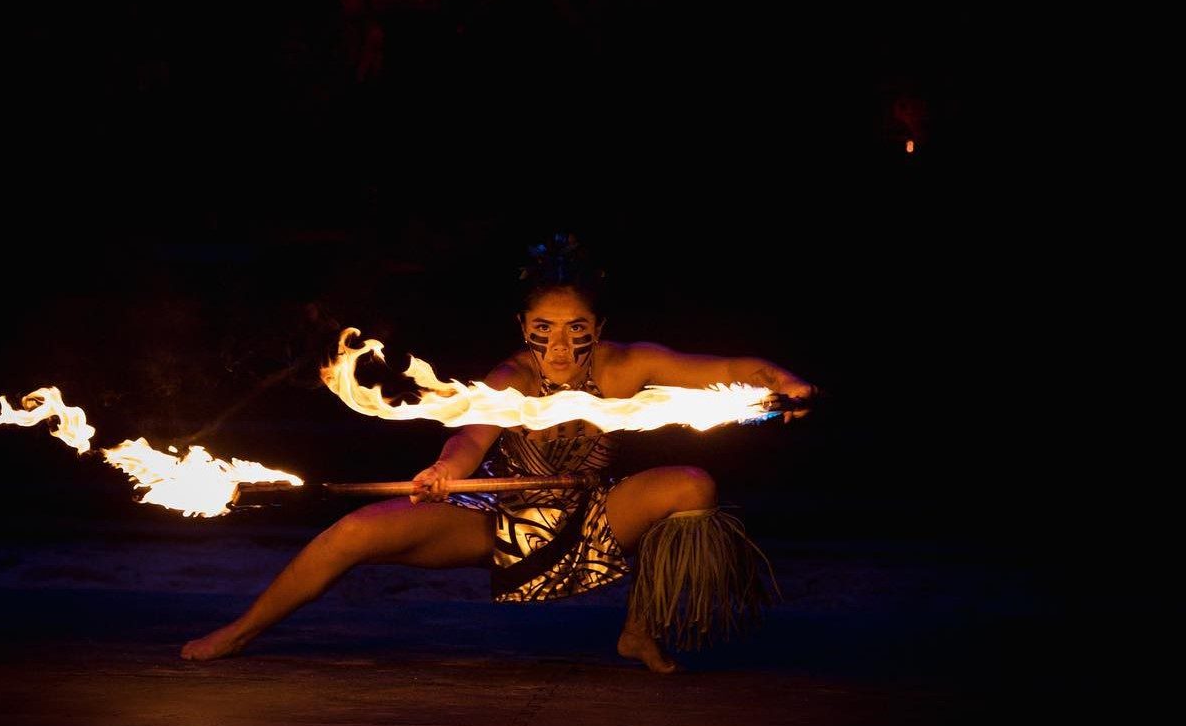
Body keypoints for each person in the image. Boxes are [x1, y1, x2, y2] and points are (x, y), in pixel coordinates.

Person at [182, 234, 815, 672]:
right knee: (354, 531)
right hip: (497, 517)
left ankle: (639, 631)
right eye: (545, 332)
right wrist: (445, 471)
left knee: (692, 484)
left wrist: (785, 382)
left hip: (592, 514)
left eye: (576, 331)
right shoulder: (511, 378)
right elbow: (469, 438)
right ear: (523, 330)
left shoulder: (630, 365)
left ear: (599, 329)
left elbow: (729, 369)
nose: (560, 348)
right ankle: (241, 631)